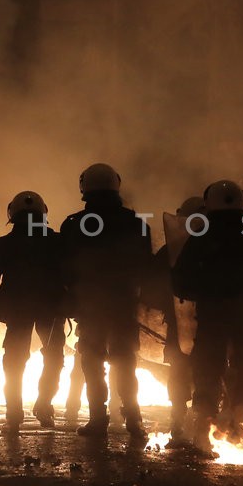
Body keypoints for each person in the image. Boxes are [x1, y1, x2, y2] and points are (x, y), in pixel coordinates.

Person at [172, 180, 243, 454]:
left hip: (212, 316)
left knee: (207, 372)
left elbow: (180, 279)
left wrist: (199, 291)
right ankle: (241, 426)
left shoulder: (202, 236)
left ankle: (203, 434)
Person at [60, 163, 152, 438]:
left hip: (90, 306)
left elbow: (63, 266)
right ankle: (134, 419)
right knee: (125, 361)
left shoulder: (75, 225)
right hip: (123, 304)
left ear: (84, 188)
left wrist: (68, 297)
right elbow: (146, 267)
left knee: (92, 361)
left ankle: (98, 418)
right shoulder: (136, 225)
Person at [0, 191, 66, 434]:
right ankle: (44, 406)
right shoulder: (57, 242)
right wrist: (69, 304)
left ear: (12, 214)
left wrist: (0, 308)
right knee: (54, 357)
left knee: (14, 363)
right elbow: (74, 278)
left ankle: (13, 416)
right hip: (51, 309)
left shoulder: (5, 244)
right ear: (43, 214)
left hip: (18, 311)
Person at [149, 196, 203, 445]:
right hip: (212, 323)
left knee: (181, 373)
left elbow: (153, 285)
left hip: (183, 325)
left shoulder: (172, 250)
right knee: (207, 372)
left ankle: (180, 425)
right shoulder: (222, 246)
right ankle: (202, 427)